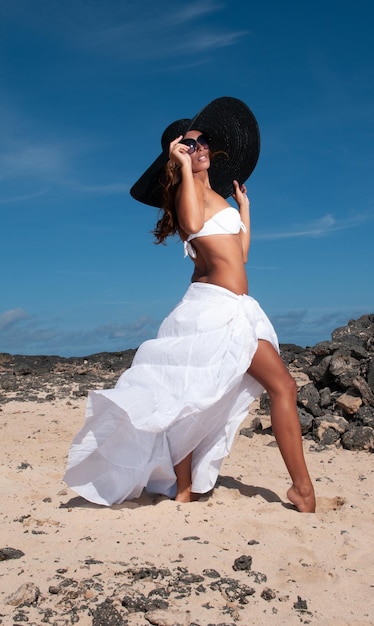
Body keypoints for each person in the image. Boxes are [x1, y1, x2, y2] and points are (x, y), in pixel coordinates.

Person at [64, 97, 315, 513]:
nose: (199, 149)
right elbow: (195, 226)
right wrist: (181, 167)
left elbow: (241, 254)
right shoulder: (185, 198)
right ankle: (284, 489)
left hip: (237, 306)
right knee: (204, 396)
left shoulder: (222, 199)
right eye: (189, 145)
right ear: (177, 155)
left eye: (202, 143)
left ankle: (274, 488)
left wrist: (247, 210)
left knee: (236, 391)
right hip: (210, 310)